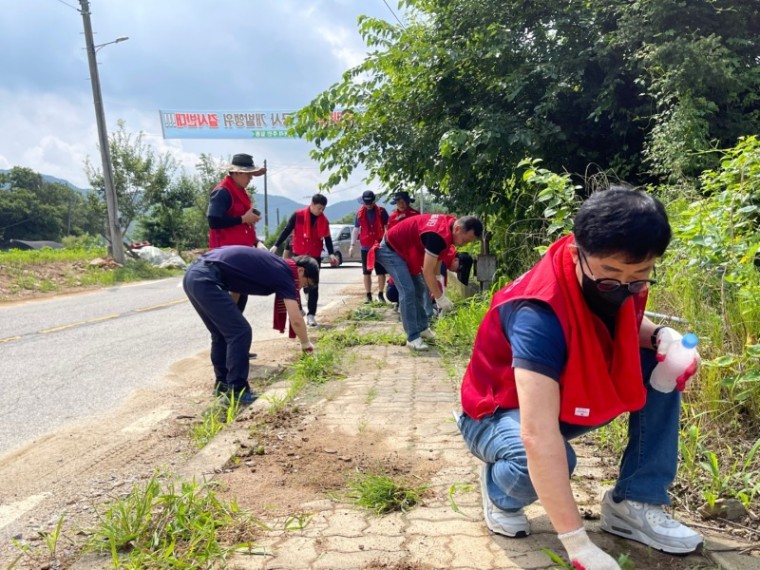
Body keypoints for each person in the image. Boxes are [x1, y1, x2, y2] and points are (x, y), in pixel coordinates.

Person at [456, 188, 702, 570]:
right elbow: (537, 434)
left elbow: (626, 321)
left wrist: (662, 337)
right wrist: (577, 544)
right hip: (497, 411)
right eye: (611, 277)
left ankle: (635, 500)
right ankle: (497, 491)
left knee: (661, 362)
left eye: (639, 279)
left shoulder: (616, 278)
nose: (624, 287)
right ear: (577, 254)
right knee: (536, 459)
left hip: (559, 394)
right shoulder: (537, 313)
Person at [183, 246, 318, 405]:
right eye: (306, 284)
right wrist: (306, 345)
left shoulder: (275, 265)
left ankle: (223, 385)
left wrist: (228, 315)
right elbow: (296, 318)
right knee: (241, 332)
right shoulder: (286, 273)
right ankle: (238, 390)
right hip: (206, 279)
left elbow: (236, 289)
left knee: (223, 333)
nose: (302, 288)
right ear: (301, 271)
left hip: (194, 276)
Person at [374, 213, 483, 350]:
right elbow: (427, 271)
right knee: (408, 291)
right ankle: (412, 337)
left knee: (419, 288)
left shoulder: (449, 227)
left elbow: (436, 264)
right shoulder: (438, 235)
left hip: (404, 251)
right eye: (464, 240)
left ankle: (422, 329)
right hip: (391, 250)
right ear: (458, 229)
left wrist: (438, 285)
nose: (463, 244)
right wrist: (440, 297)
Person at [207, 153, 267, 359]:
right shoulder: (223, 192)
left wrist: (256, 241)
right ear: (237, 172)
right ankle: (227, 349)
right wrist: (243, 218)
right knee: (230, 305)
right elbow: (213, 220)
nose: (251, 178)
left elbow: (243, 223)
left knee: (240, 299)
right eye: (248, 175)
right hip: (226, 256)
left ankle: (236, 346)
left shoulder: (240, 192)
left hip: (240, 254)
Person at [271, 193, 337, 327]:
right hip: (298, 256)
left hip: (314, 257)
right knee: (295, 285)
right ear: (312, 204)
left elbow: (328, 238)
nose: (321, 211)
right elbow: (286, 230)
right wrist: (276, 245)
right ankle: (299, 309)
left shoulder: (324, 220)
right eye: (319, 208)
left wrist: (331, 254)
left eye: (323, 209)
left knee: (313, 286)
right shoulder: (298, 215)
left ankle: (311, 315)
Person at [349, 190, 389, 303]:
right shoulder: (360, 213)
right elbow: (356, 230)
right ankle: (368, 295)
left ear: (374, 201)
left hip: (379, 245)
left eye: (370, 203)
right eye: (366, 203)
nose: (368, 205)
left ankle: (381, 294)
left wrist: (386, 243)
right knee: (366, 272)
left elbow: (387, 227)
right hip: (365, 246)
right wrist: (352, 245)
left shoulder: (382, 211)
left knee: (381, 271)